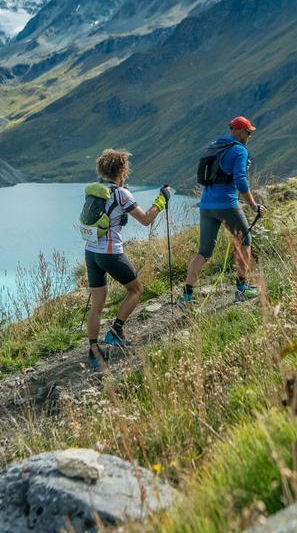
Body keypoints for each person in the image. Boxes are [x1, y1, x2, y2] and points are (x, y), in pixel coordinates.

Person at [84, 149, 171, 371]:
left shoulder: (96, 191)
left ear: (102, 169)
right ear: (122, 170)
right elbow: (146, 220)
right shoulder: (122, 194)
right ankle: (115, 332)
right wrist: (162, 200)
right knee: (136, 290)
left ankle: (94, 352)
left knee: (97, 305)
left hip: (91, 251)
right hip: (111, 252)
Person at [179, 116, 267, 310]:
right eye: (247, 131)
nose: (249, 135)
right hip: (227, 204)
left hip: (206, 206)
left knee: (204, 252)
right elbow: (241, 181)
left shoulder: (216, 146)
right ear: (238, 131)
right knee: (245, 241)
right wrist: (254, 206)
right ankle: (242, 289)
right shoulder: (239, 150)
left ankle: (186, 296)